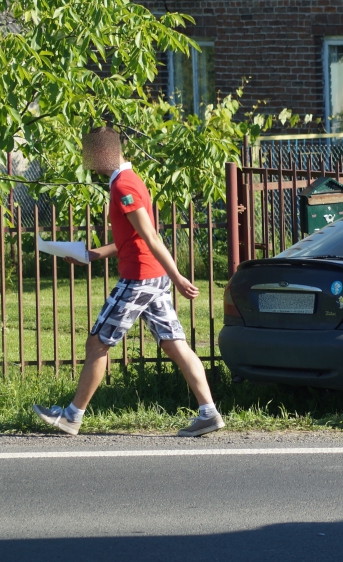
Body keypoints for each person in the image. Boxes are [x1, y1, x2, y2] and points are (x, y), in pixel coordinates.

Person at [32, 126, 224, 437]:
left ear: (103, 154)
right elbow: (132, 237)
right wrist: (93, 254)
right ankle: (209, 412)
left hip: (140, 279)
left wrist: (177, 276)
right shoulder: (128, 181)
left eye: (89, 155)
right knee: (175, 345)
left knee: (97, 343)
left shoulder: (123, 185)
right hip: (153, 278)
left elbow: (150, 236)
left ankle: (71, 417)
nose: (87, 163)